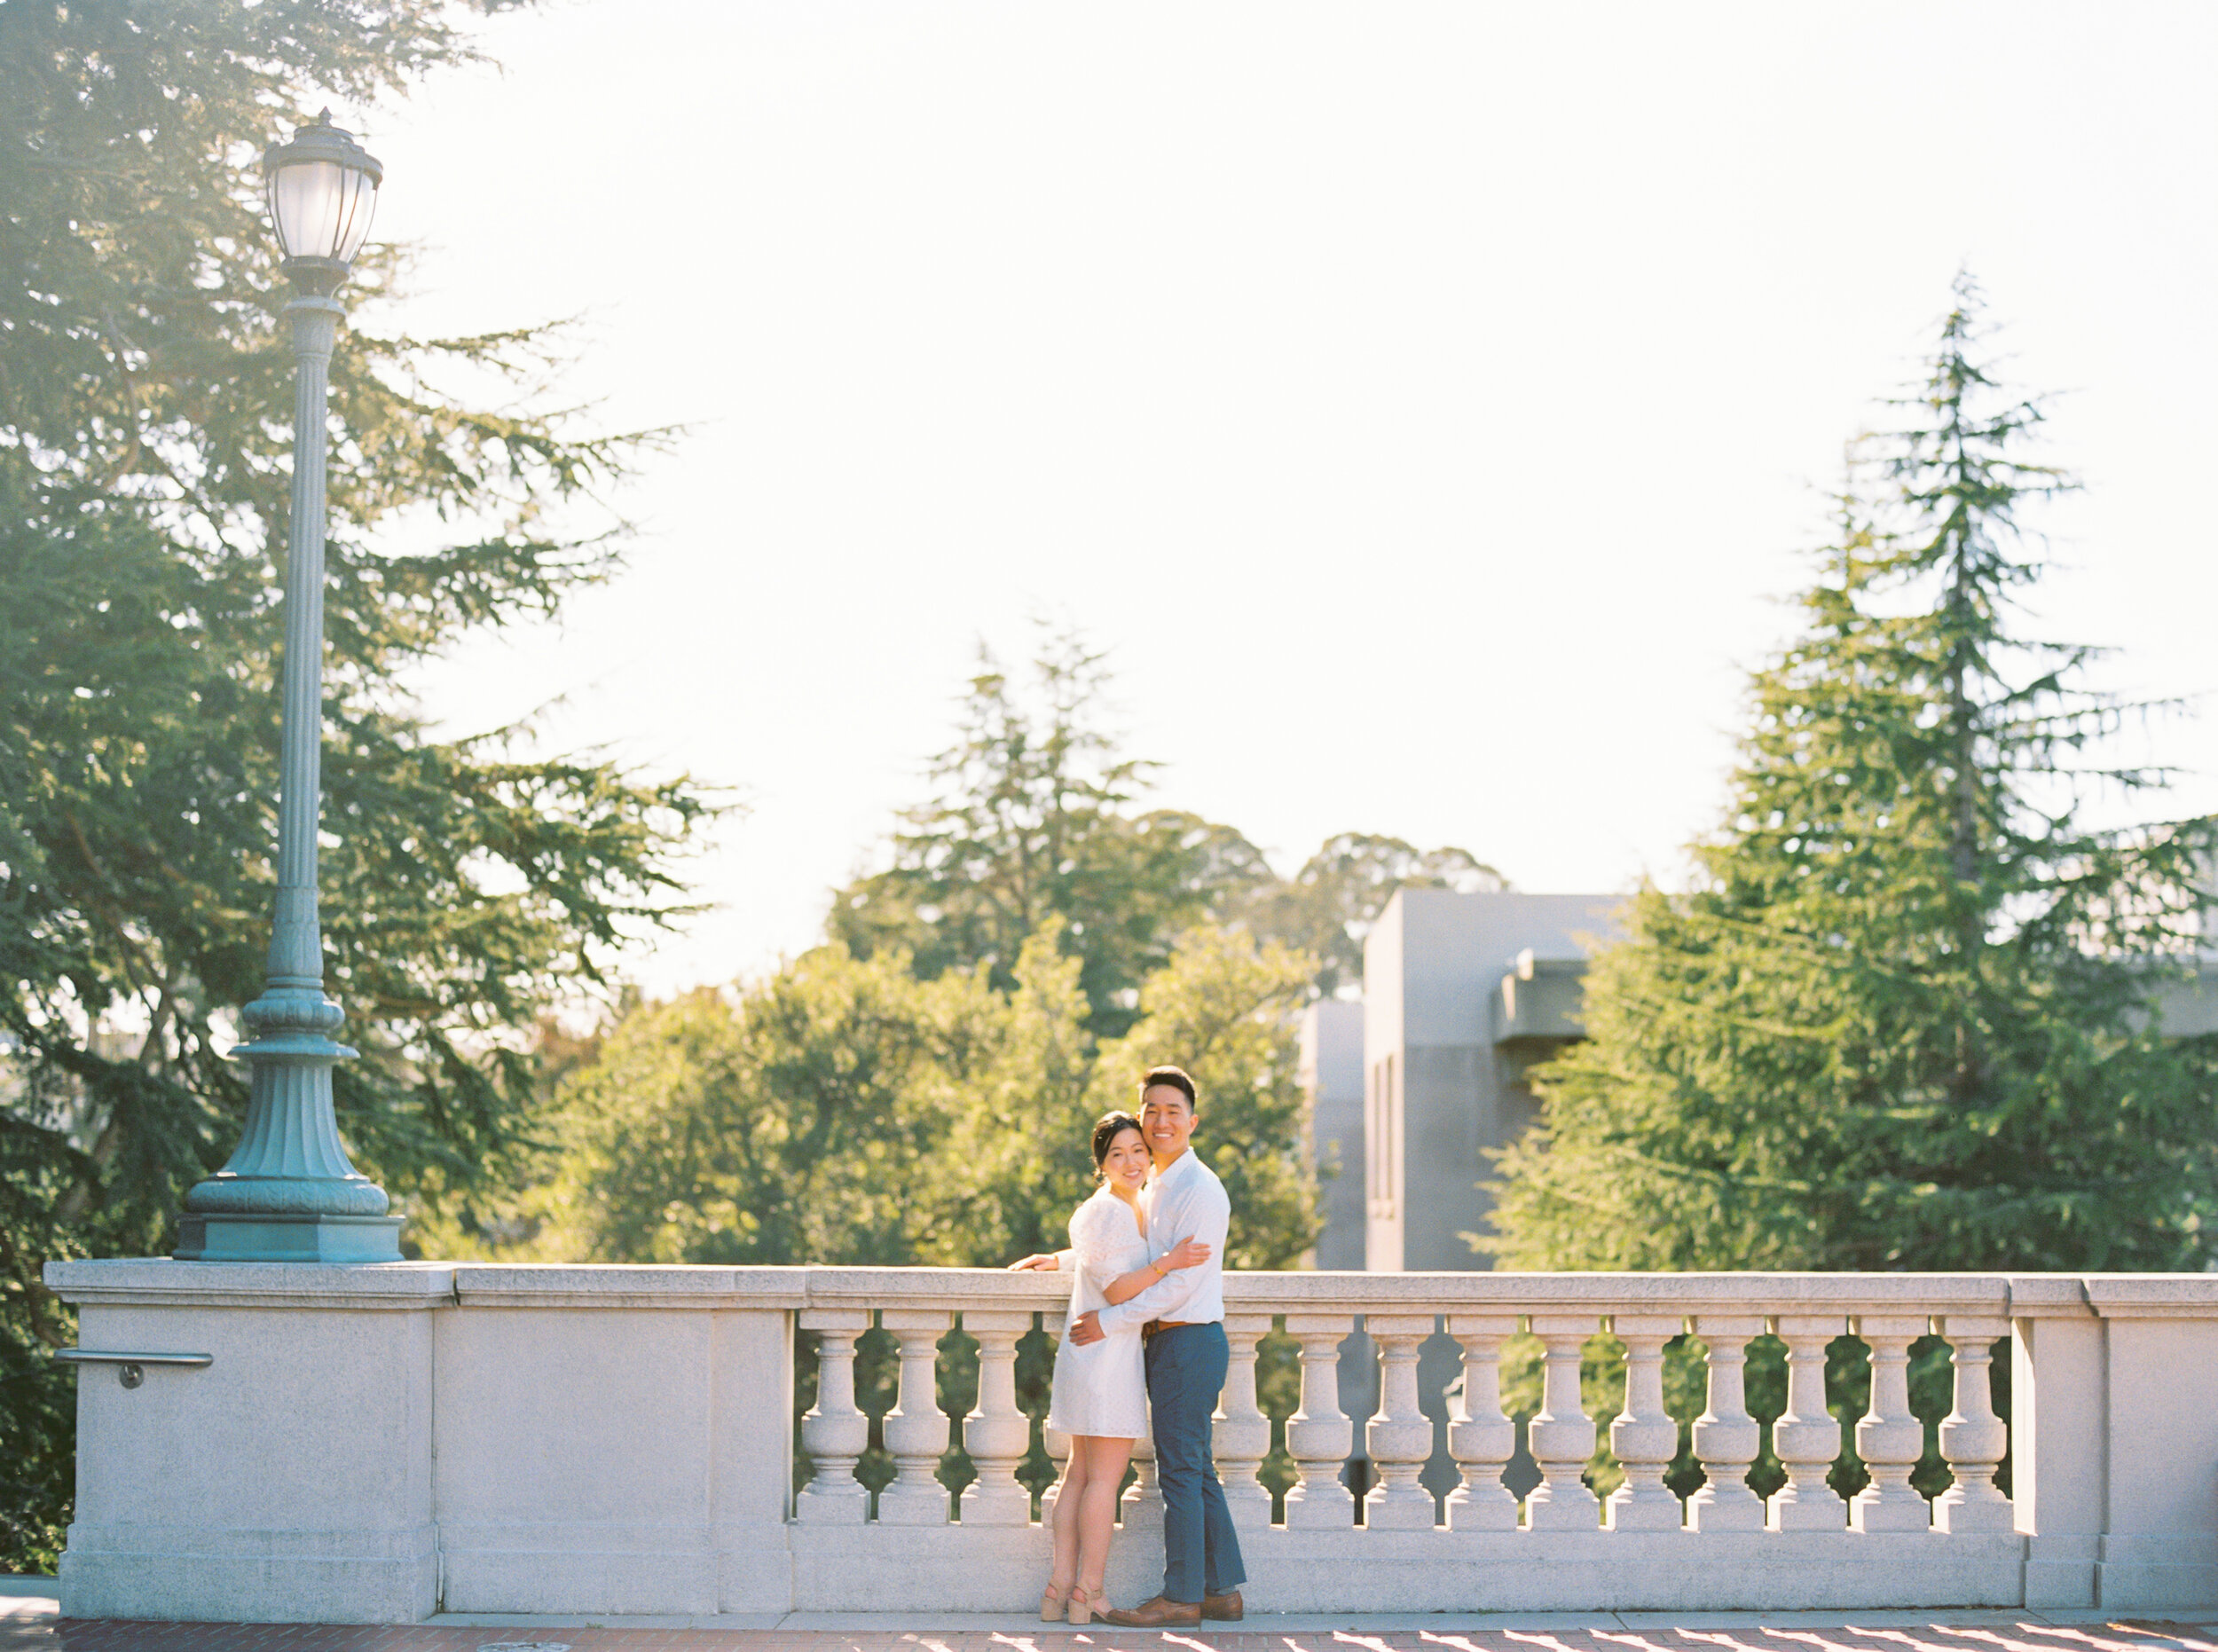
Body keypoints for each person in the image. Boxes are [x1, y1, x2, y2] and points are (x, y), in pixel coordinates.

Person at [1007, 1111, 1212, 1625]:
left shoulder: (1120, 1207)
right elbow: (1120, 1287)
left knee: (1079, 1476)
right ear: (1101, 1164)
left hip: (1093, 1351)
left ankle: (1058, 1590)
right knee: (1102, 1481)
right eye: (1118, 1154)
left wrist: (1059, 1260)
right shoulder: (1113, 1210)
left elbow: (1100, 1258)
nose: (1132, 1161)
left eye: (1139, 1151)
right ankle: (1089, 1594)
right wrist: (1172, 1260)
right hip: (1107, 1353)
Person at [1069, 1065, 1247, 1629]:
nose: (1160, 1120)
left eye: (1173, 1111)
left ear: (1192, 1121)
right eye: (1152, 1110)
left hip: (1188, 1341)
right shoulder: (1155, 1184)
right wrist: (1062, 1261)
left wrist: (1111, 1320)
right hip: (1171, 1344)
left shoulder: (1200, 1189)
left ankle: (1181, 1597)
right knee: (1197, 1471)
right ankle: (1221, 1592)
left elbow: (1177, 1285)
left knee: (1179, 1473)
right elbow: (1131, 1254)